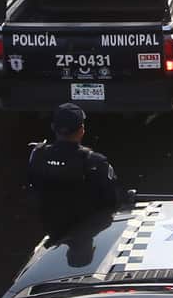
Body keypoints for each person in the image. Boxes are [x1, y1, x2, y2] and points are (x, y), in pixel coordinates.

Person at [26, 103, 119, 240]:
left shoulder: (37, 155)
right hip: (87, 229)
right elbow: (112, 200)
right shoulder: (95, 161)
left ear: (53, 127)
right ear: (82, 130)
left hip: (52, 230)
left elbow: (33, 187)